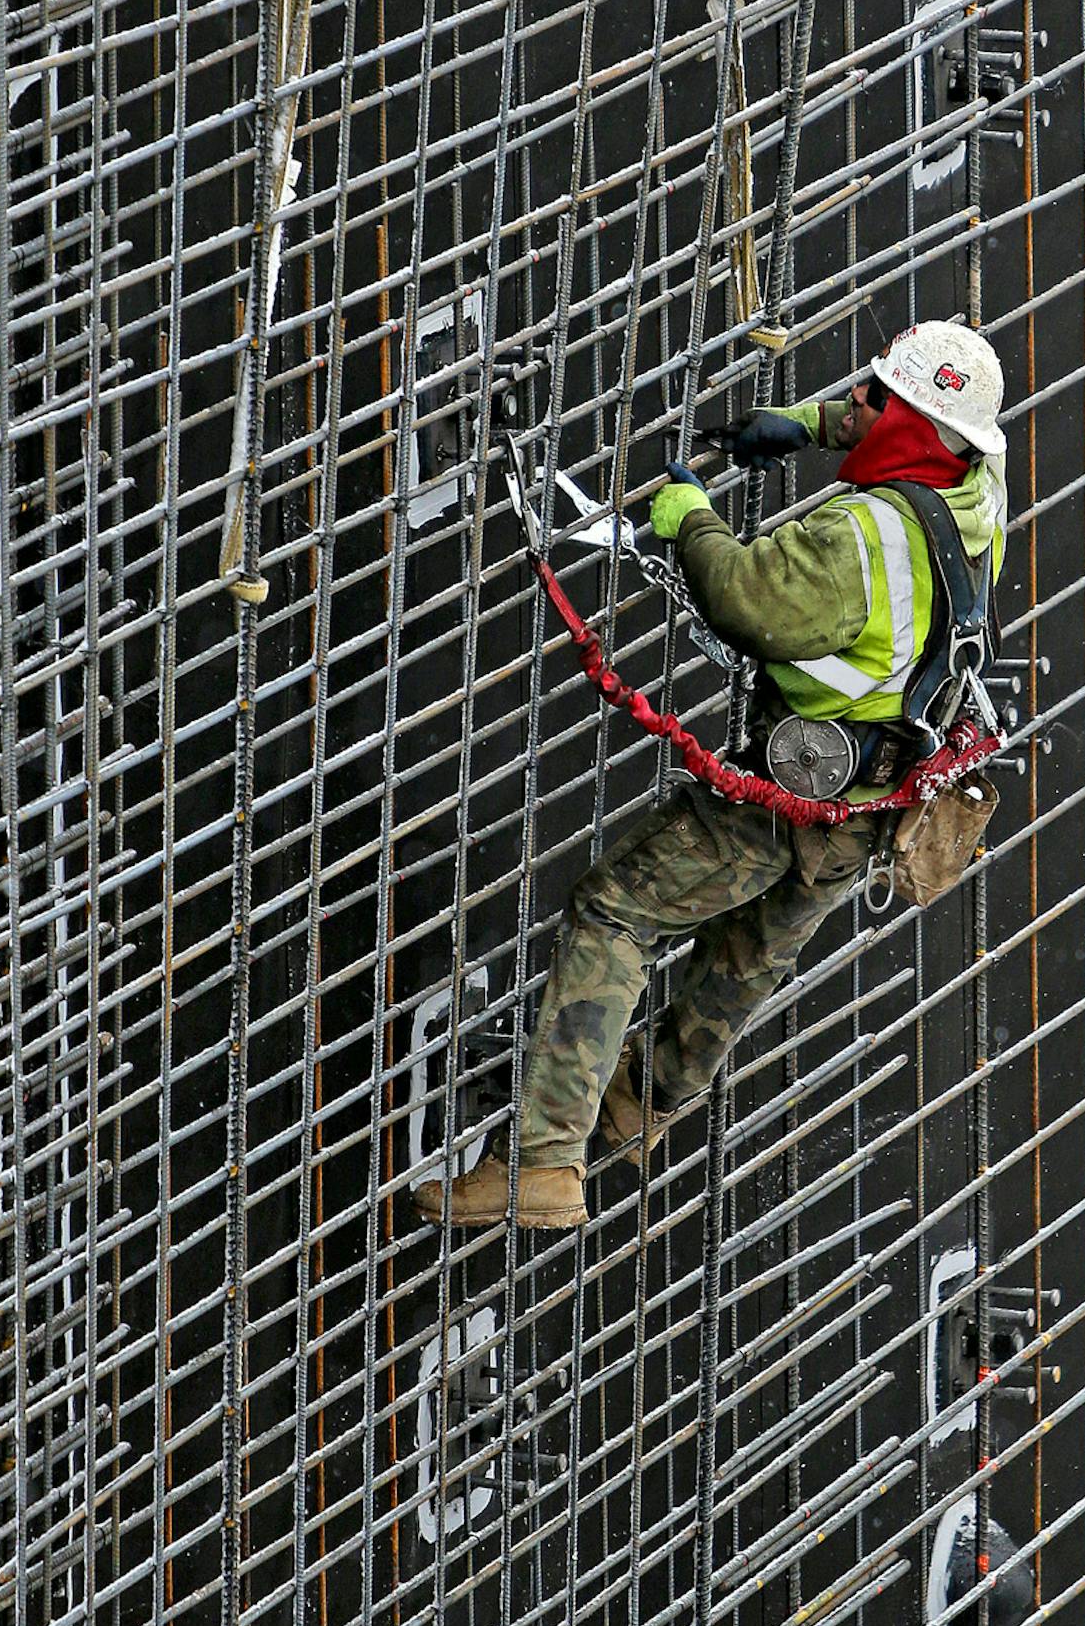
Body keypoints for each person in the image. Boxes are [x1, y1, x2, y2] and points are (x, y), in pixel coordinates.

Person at [414, 321, 1010, 1231]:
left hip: (788, 799)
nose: (856, 400)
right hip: (866, 813)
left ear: (913, 428)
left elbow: (747, 602)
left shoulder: (863, 537)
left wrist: (688, 516)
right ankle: (631, 1115)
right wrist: (803, 424)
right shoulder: (978, 492)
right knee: (740, 964)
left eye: (872, 398)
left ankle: (543, 1162)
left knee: (618, 912)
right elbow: (905, 428)